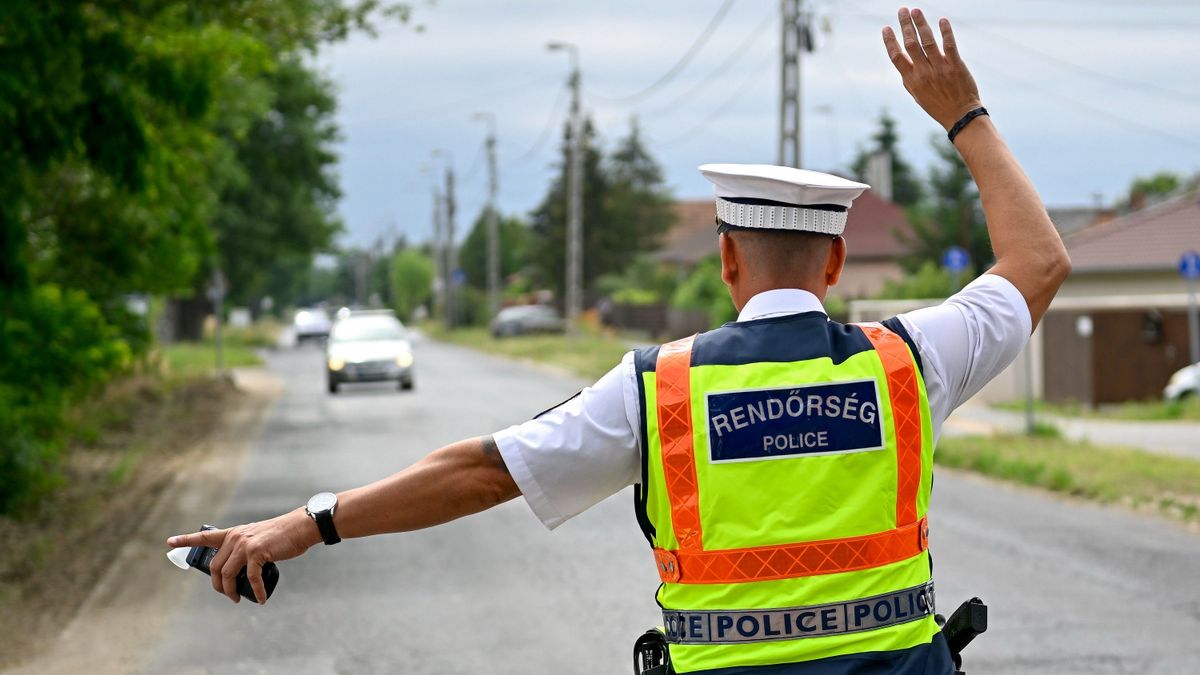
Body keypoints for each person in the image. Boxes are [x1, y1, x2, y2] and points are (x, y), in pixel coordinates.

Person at [168, 7, 1070, 674]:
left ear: (725, 259)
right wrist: (965, 115)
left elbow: (482, 470)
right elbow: (1038, 261)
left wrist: (305, 522)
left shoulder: (660, 390)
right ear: (836, 261)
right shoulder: (912, 362)